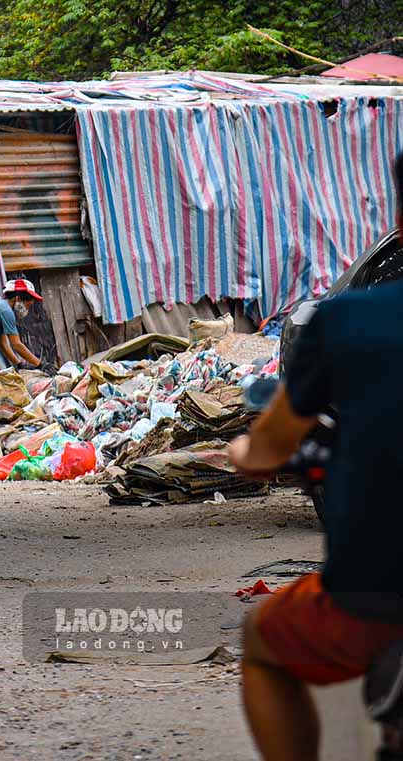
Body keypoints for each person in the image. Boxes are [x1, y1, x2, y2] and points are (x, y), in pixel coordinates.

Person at [229, 152, 403, 761]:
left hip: (375, 594)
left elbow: (273, 443)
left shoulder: (346, 319)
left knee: (261, 639)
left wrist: (244, 450)